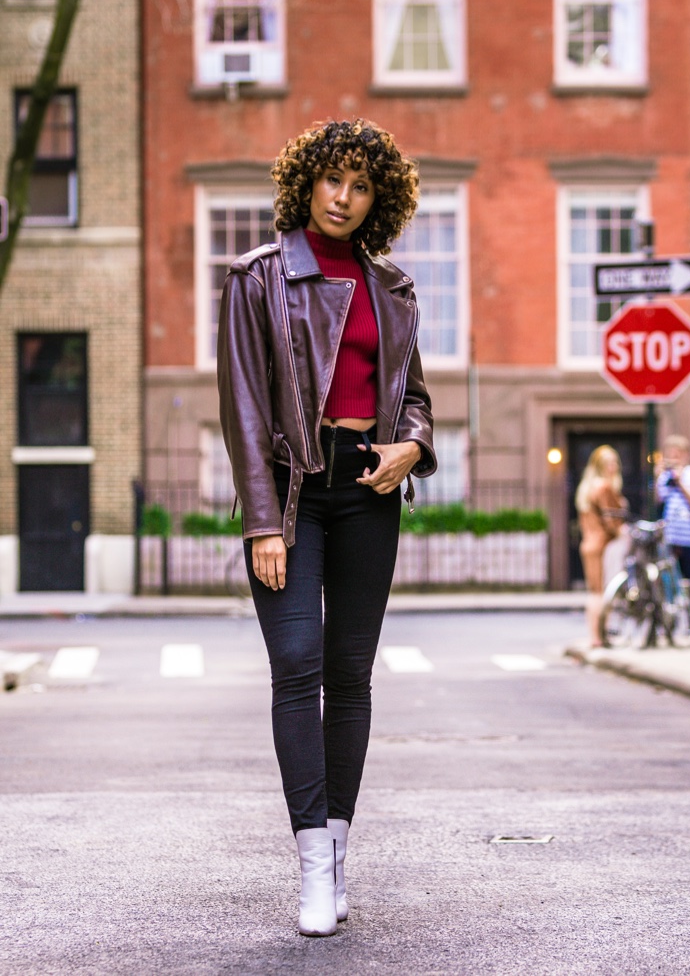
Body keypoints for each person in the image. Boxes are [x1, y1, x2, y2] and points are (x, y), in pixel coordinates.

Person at [217, 119, 436, 937]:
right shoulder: (256, 278)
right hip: (292, 492)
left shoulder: (394, 288)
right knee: (296, 666)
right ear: (306, 182)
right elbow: (242, 409)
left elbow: (414, 392)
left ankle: (340, 845)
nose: (343, 198)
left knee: (349, 675)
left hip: (370, 489)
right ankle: (312, 858)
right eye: (332, 180)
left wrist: (412, 446)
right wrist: (263, 522)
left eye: (361, 186)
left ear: (379, 199)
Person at [575, 445, 629, 647]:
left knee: (595, 592)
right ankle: (599, 636)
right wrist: (623, 532)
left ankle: (596, 636)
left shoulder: (587, 488)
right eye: (609, 463)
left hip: (588, 544)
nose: (613, 467)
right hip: (603, 545)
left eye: (615, 462)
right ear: (600, 466)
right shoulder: (604, 487)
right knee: (602, 592)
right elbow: (612, 519)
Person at [656, 434, 690, 619]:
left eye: (676, 455)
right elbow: (658, 502)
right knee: (668, 584)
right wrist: (658, 478)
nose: (673, 459)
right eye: (670, 455)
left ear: (686, 455)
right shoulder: (664, 477)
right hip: (669, 537)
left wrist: (680, 481)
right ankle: (672, 622)